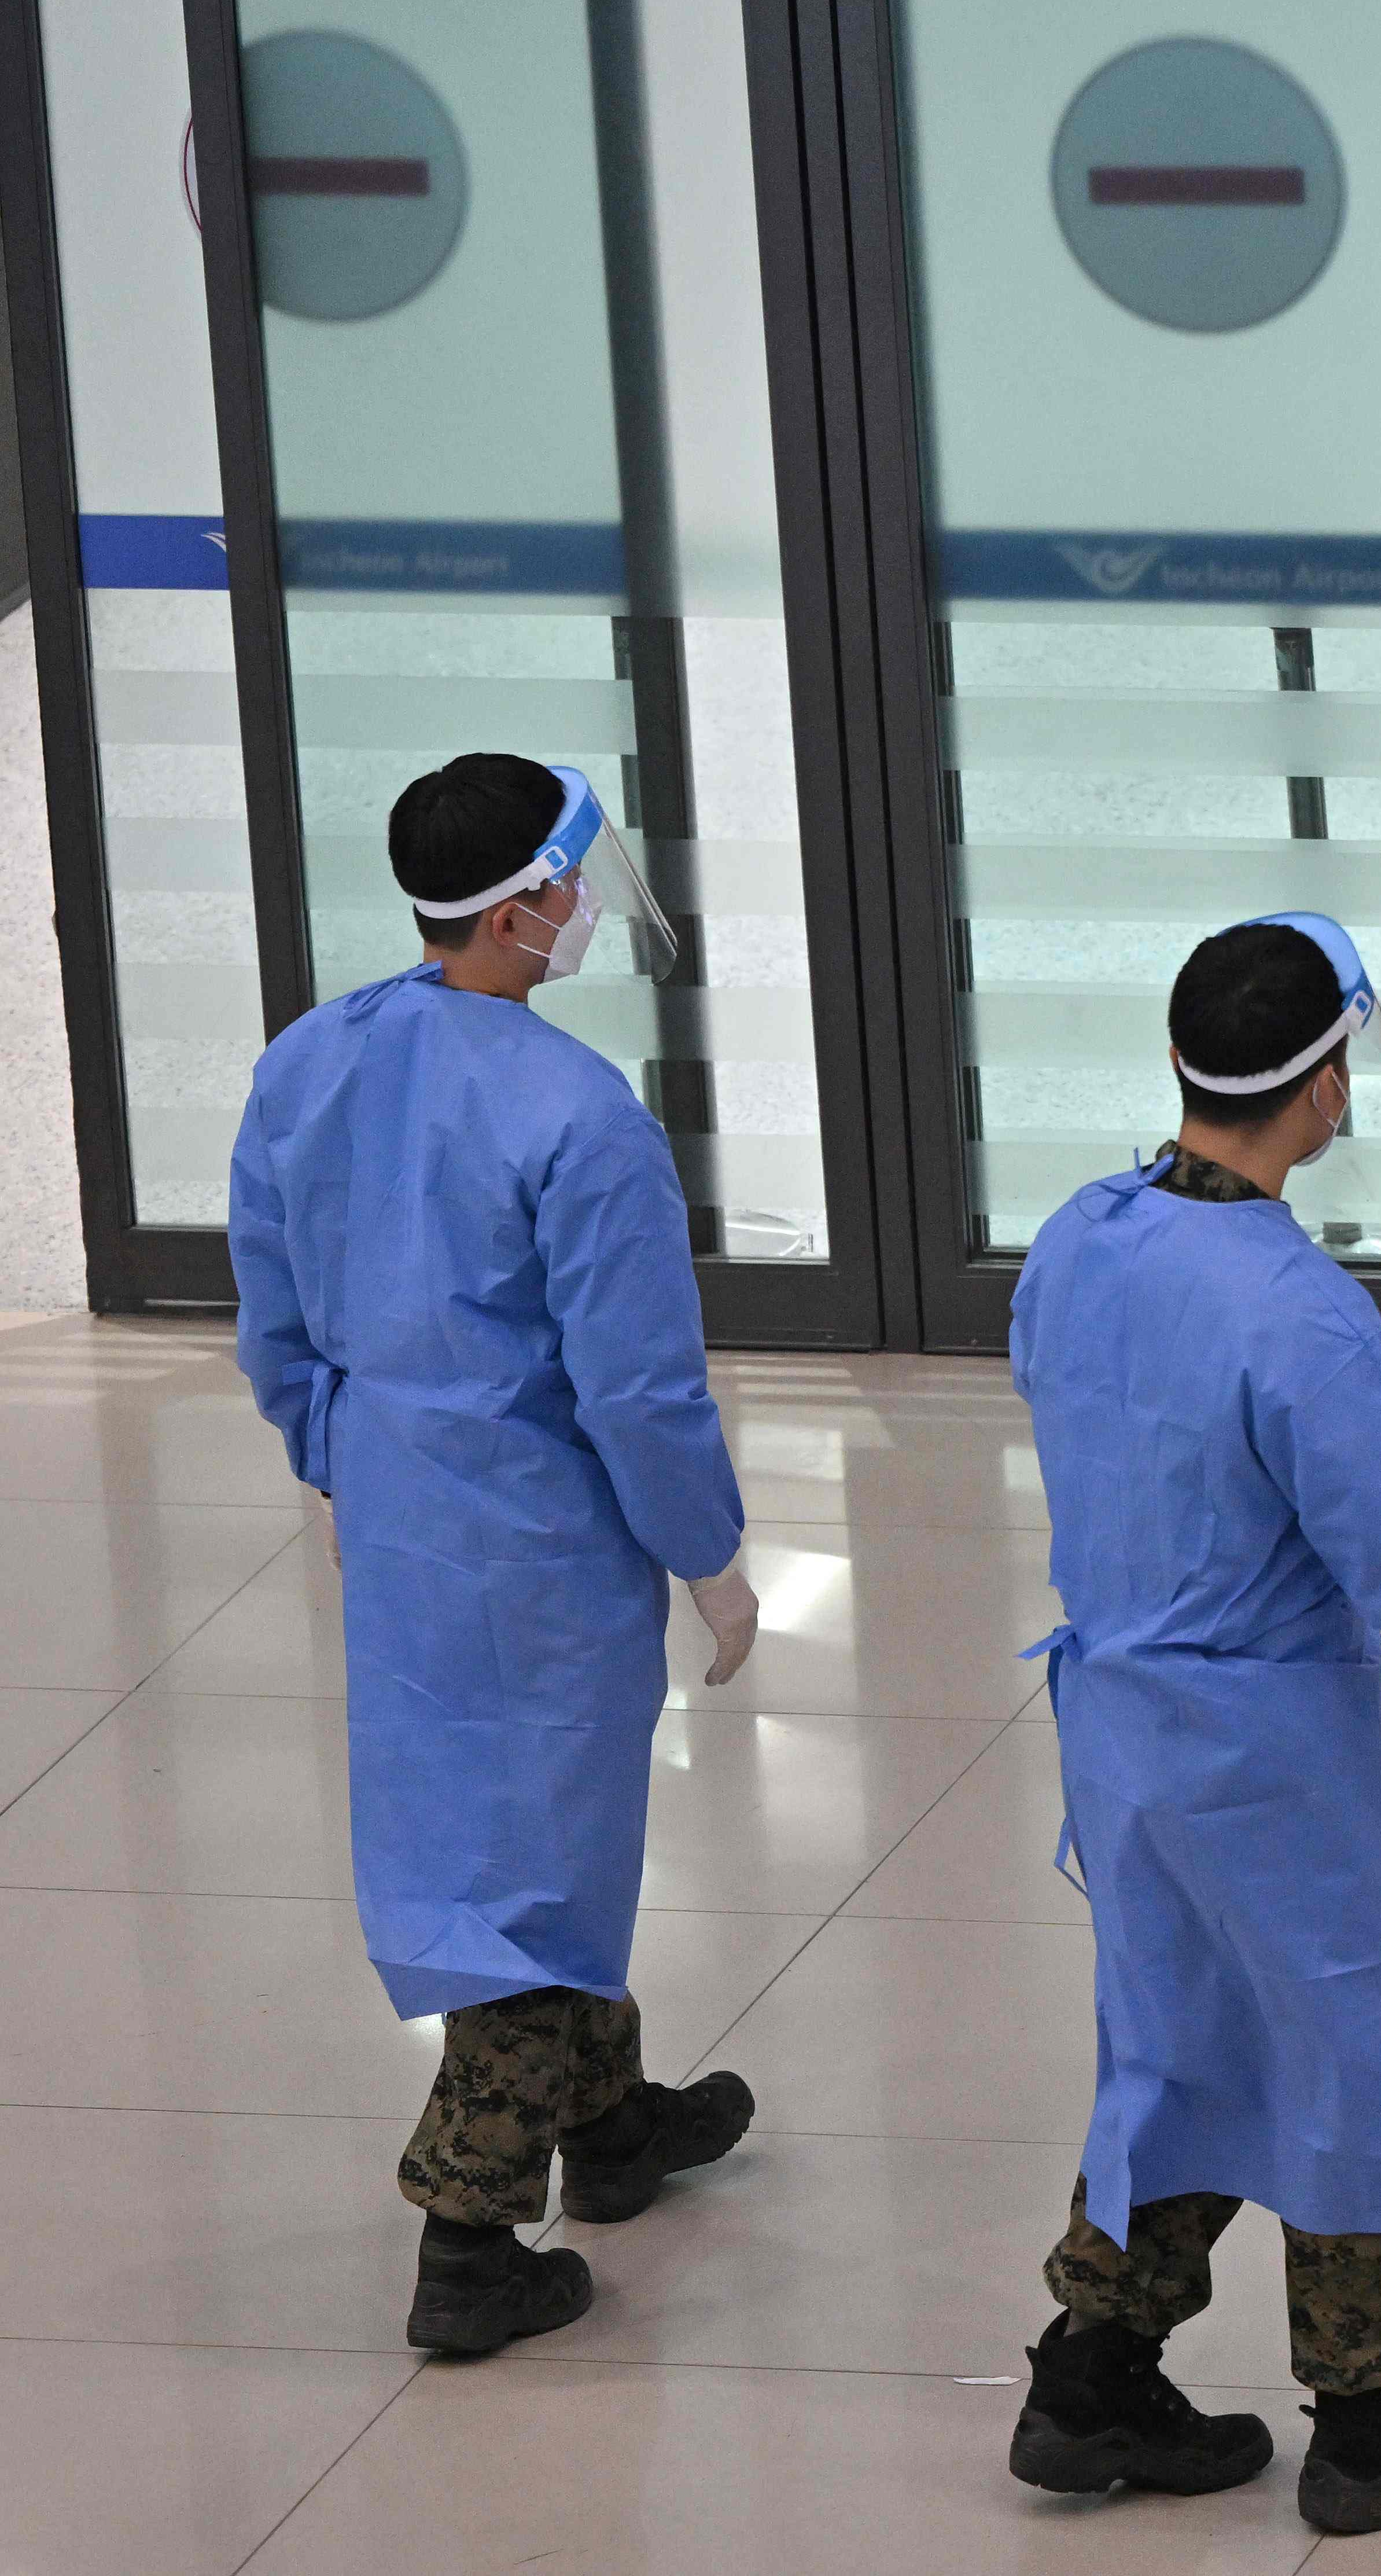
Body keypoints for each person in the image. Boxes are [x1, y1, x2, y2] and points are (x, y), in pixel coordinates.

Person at [1001, 914, 1381, 2535]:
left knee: (1174, 2046)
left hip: (1118, 1734)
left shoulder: (1078, 1238)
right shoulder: (1299, 1313)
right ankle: (1377, 2421)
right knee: (1347, 2054)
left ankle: (1093, 2375)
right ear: (1324, 1086)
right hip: (1270, 1754)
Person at [227, 752, 764, 2358]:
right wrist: (709, 1555)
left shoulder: (312, 1062)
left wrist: (340, 1462)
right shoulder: (579, 1118)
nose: (587, 907)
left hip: (402, 1518)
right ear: (525, 903)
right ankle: (469, 2241)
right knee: (528, 1866)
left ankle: (611, 2127)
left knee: (498, 1828)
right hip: (540, 1539)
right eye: (574, 882)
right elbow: (639, 1387)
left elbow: (278, 1315)